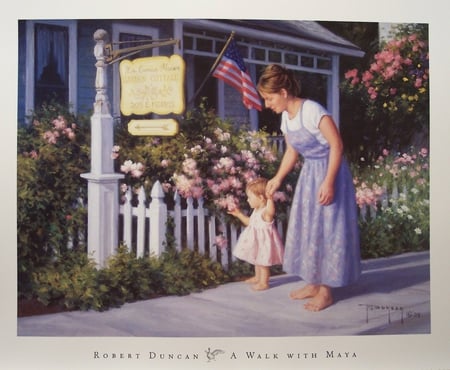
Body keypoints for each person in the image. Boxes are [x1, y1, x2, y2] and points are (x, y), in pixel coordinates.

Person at [257, 64, 361, 311]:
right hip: (309, 175)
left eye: (269, 98)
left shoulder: (313, 110)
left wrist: (328, 181)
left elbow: (337, 146)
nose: (267, 104)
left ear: (283, 92)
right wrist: (278, 178)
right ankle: (313, 282)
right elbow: (292, 151)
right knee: (310, 227)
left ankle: (326, 290)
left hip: (330, 173)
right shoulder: (286, 118)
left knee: (328, 229)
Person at [229, 177, 284, 291]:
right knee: (256, 260)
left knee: (263, 263)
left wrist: (270, 199)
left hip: (264, 243)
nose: (248, 200)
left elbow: (271, 211)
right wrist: (239, 214)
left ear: (260, 198)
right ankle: (257, 277)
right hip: (256, 242)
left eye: (250, 198)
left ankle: (264, 282)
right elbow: (250, 222)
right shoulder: (256, 211)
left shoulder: (265, 213)